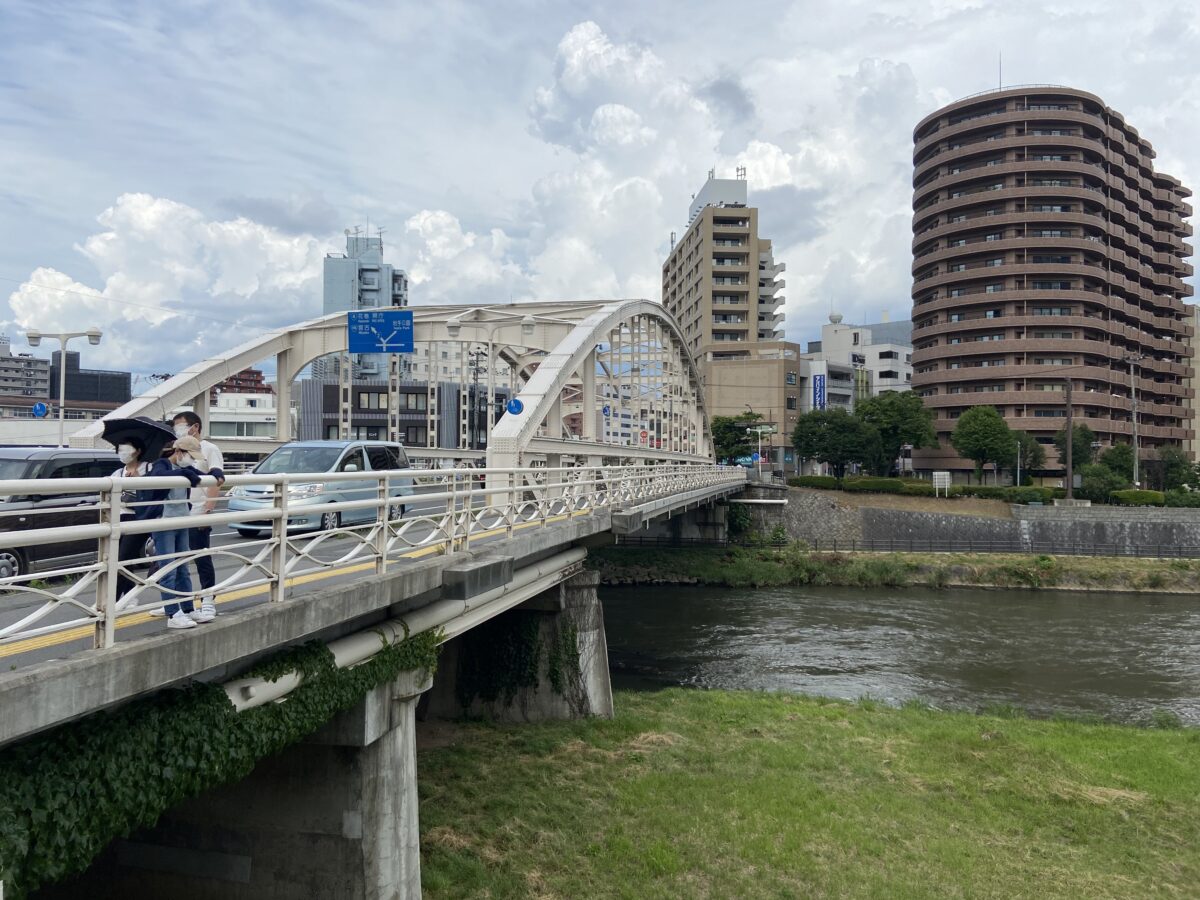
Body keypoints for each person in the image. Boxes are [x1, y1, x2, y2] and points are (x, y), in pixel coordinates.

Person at [145, 436, 209, 630]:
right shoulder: (160, 464)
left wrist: (216, 473)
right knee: (168, 570)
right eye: (190, 456)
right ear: (179, 452)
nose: (192, 461)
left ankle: (188, 609)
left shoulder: (186, 469)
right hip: (164, 523)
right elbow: (157, 477)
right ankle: (172, 613)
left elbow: (200, 475)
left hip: (182, 520)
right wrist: (184, 472)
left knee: (182, 568)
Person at [171, 411, 225, 621]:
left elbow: (216, 476)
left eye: (181, 426)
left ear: (195, 427)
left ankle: (208, 599)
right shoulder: (177, 451)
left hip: (198, 510)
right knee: (174, 559)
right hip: (177, 512)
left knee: (201, 557)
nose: (178, 430)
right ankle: (175, 602)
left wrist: (208, 509)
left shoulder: (210, 448)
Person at [110, 436, 151, 601]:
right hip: (119, 518)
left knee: (123, 558)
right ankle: (129, 595)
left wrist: (138, 481)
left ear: (138, 451)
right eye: (120, 449)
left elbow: (156, 491)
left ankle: (112, 600)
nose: (123, 452)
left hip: (139, 518)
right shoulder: (118, 472)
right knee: (119, 559)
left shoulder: (149, 468)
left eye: (127, 448)